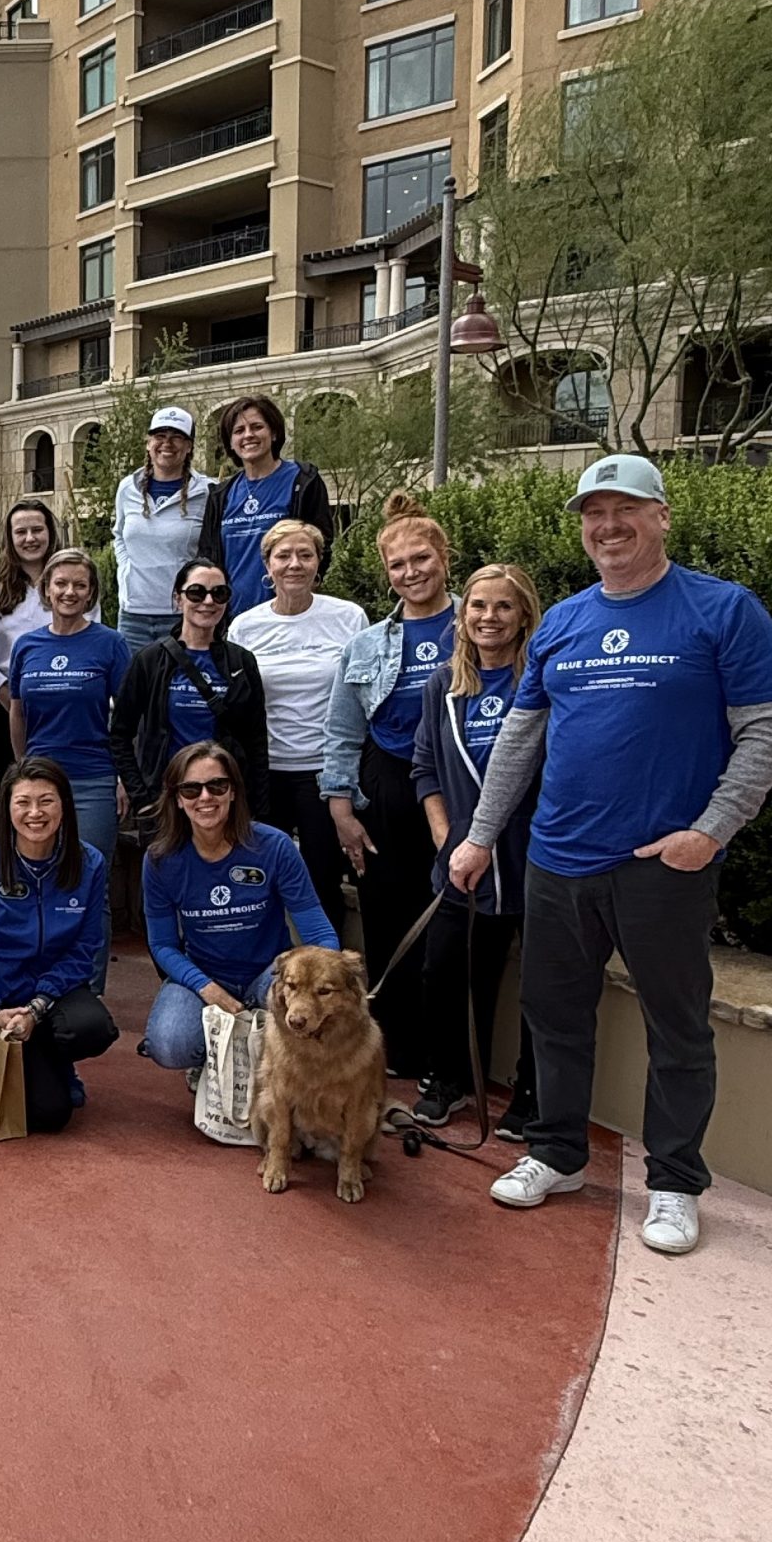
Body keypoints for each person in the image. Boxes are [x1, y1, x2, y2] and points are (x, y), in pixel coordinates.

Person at [451, 456, 772, 1256]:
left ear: (661, 516)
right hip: (558, 859)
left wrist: (713, 830)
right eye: (594, 513)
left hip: (662, 866)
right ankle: (555, 1153)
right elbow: (522, 741)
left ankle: (673, 1181)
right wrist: (482, 836)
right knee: (554, 1018)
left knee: (678, 1027)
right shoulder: (561, 621)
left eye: (625, 509)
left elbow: (762, 731)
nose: (608, 526)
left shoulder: (723, 610)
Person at [320, 492, 458, 1079]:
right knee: (387, 918)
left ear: (444, 557)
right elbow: (342, 731)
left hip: (459, 786)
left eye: (421, 559)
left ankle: (446, 1059)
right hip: (388, 788)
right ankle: (396, 1050)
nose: (411, 573)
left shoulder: (476, 625)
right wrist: (340, 806)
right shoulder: (368, 644)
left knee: (450, 923)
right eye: (398, 565)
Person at [411, 564, 543, 1133]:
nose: (489, 617)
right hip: (463, 863)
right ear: (462, 616)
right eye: (478, 606)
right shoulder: (443, 685)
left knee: (543, 984)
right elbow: (424, 769)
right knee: (445, 972)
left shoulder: (539, 681)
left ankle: (532, 1094)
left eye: (503, 607)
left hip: (532, 858)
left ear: (524, 616)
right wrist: (447, 839)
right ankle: (450, 1078)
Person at [0, 756, 118, 1136]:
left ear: (64, 806)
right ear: (7, 808)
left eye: (46, 801)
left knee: (93, 1028)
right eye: (23, 802)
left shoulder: (89, 864)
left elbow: (85, 949)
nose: (35, 813)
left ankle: (53, 1059)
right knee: (49, 1115)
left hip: (51, 997)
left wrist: (37, 1009)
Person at [140, 744, 339, 1074]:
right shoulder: (162, 859)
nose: (205, 797)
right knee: (170, 1045)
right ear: (177, 798)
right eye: (191, 789)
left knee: (311, 1018)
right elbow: (162, 944)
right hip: (203, 972)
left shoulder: (274, 846)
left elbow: (316, 928)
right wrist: (206, 987)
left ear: (233, 792)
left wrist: (327, 976)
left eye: (217, 786)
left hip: (269, 973)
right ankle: (206, 1063)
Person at [228, 519, 367, 934]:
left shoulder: (349, 618)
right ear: (267, 566)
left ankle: (327, 979)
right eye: (283, 556)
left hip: (323, 773)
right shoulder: (244, 626)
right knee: (257, 882)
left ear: (318, 563)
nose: (294, 564)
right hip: (265, 774)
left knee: (321, 882)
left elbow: (359, 698)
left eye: (305, 555)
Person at [7, 547, 128, 989]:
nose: (69, 591)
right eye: (61, 583)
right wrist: (24, 768)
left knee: (90, 886)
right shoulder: (28, 646)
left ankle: (88, 989)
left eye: (79, 584)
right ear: (46, 590)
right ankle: (38, 981)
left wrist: (120, 777)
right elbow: (17, 714)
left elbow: (126, 718)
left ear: (91, 591)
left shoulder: (110, 644)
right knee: (36, 882)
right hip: (40, 782)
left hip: (93, 779)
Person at [111, 556, 269, 824]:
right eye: (196, 592)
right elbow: (120, 735)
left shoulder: (241, 662)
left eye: (219, 593)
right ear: (178, 599)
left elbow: (256, 741)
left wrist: (257, 808)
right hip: (168, 801)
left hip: (224, 800)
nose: (208, 601)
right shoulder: (149, 660)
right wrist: (143, 799)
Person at [198, 394, 334, 616]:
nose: (248, 435)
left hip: (289, 614)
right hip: (231, 618)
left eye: (257, 427)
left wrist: (300, 594)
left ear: (274, 432)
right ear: (230, 443)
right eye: (239, 430)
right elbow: (207, 557)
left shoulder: (303, 481)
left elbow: (322, 545)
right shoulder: (221, 495)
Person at [112, 405, 213, 654]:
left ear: (189, 446)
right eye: (160, 436)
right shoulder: (128, 488)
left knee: (179, 688)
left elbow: (212, 549)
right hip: (133, 615)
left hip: (183, 615)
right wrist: (127, 573)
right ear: (148, 443)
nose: (167, 444)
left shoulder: (208, 491)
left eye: (176, 437)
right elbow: (119, 536)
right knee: (135, 689)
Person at [0, 494, 64, 783]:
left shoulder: (70, 583)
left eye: (37, 530)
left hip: (61, 703)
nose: (30, 538)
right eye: (21, 532)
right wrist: (7, 696)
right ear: (10, 537)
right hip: (3, 705)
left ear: (50, 533)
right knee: (15, 791)